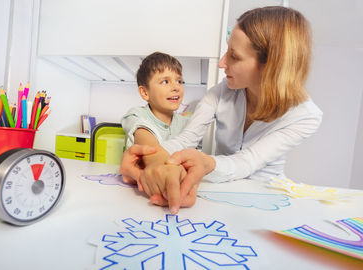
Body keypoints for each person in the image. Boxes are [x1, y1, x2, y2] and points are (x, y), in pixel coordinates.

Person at [120, 6, 323, 212]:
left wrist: (204, 163)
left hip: (265, 196)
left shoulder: (305, 116)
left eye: (234, 56)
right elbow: (186, 140)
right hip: (218, 191)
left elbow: (248, 161)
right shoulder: (220, 92)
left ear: (270, 66)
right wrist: (152, 160)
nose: (222, 63)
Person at [121, 52, 191, 212]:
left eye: (179, 81)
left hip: (173, 190)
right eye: (165, 81)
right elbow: (145, 139)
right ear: (145, 93)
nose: (176, 87)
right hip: (136, 198)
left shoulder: (186, 124)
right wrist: (164, 167)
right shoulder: (136, 115)